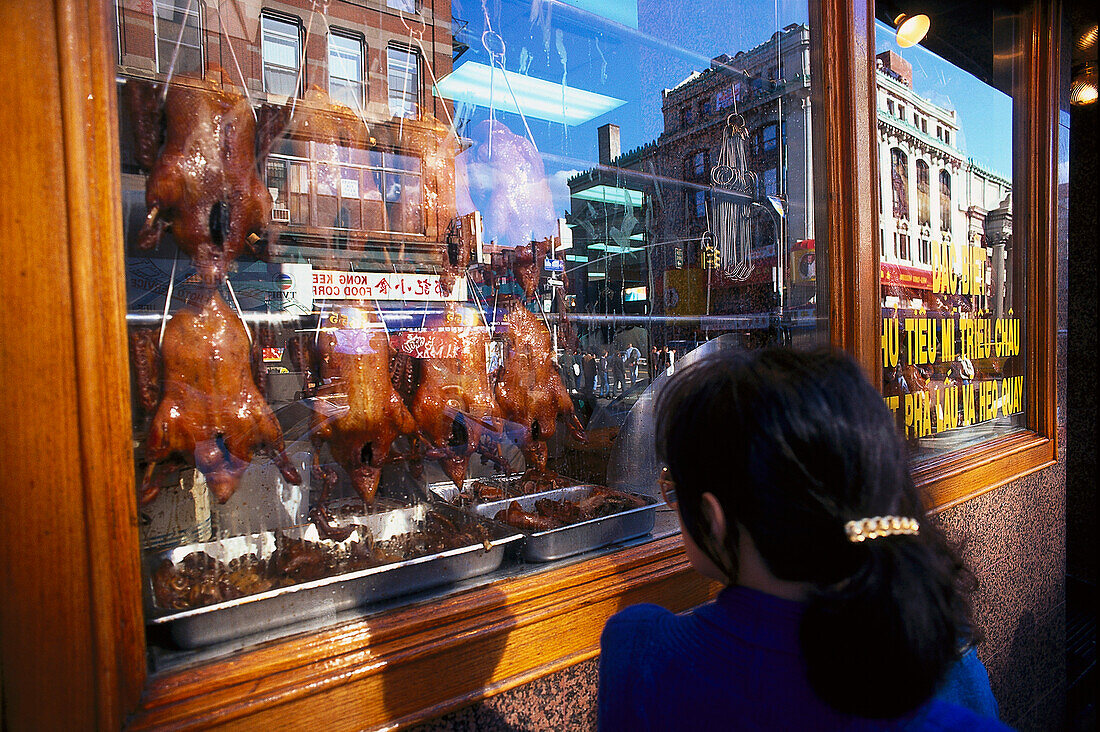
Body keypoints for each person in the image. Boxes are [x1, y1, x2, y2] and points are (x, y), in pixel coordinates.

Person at [598, 347, 1005, 731]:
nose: (671, 495)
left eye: (674, 489)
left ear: (712, 518)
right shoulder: (949, 661)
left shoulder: (638, 653)